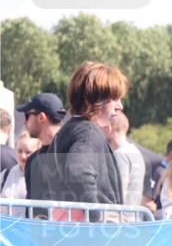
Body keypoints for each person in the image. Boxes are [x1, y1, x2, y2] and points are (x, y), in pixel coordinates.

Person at [47, 62, 126, 216]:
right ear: (97, 100)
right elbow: (79, 173)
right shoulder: (88, 132)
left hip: (70, 229)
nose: (120, 106)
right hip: (90, 233)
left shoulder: (68, 130)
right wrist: (99, 215)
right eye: (115, 98)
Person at [19, 92, 65, 202]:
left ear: (41, 117)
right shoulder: (32, 161)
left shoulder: (72, 152)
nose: (24, 121)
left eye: (27, 115)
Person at [104, 112, 145, 208]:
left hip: (121, 218)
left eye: (104, 126)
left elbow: (119, 192)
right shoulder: (136, 152)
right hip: (133, 216)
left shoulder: (119, 155)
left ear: (110, 128)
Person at [0, 133, 42, 214]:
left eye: (28, 152)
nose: (23, 156)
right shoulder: (6, 174)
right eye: (20, 151)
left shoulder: (43, 176)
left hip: (29, 225)